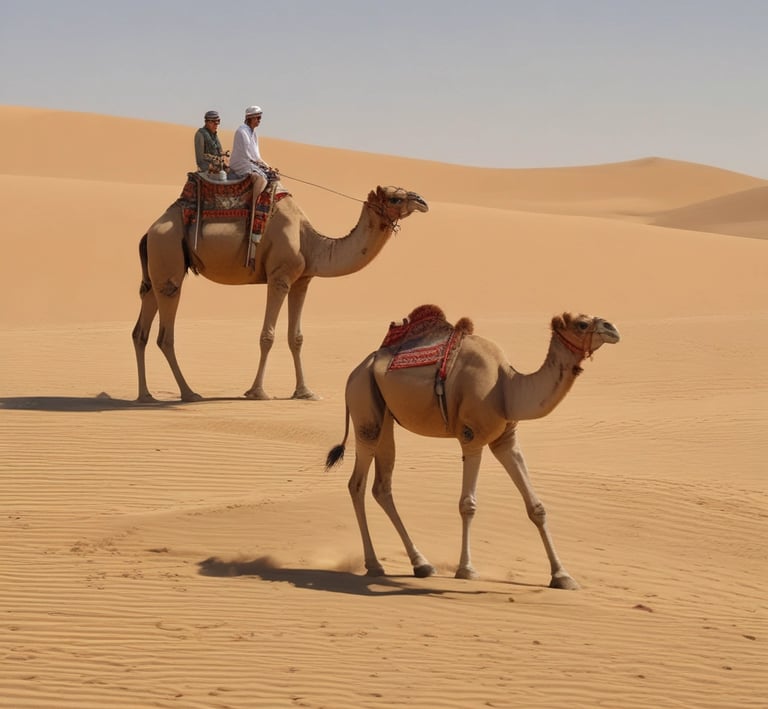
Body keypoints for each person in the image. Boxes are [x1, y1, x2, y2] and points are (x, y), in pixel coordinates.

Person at [228, 105, 272, 194]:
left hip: (250, 162)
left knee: (271, 175)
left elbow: (256, 155)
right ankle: (254, 206)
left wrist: (266, 166)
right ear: (250, 118)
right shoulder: (242, 131)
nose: (259, 120)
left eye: (260, 117)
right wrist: (260, 165)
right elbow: (248, 154)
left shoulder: (254, 134)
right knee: (261, 179)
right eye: (258, 117)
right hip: (241, 163)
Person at [194, 110, 227, 175]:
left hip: (219, 166)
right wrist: (214, 164)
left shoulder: (214, 135)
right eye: (214, 122)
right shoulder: (200, 134)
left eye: (218, 122)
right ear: (207, 122)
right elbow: (200, 160)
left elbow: (220, 151)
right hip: (207, 170)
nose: (216, 124)